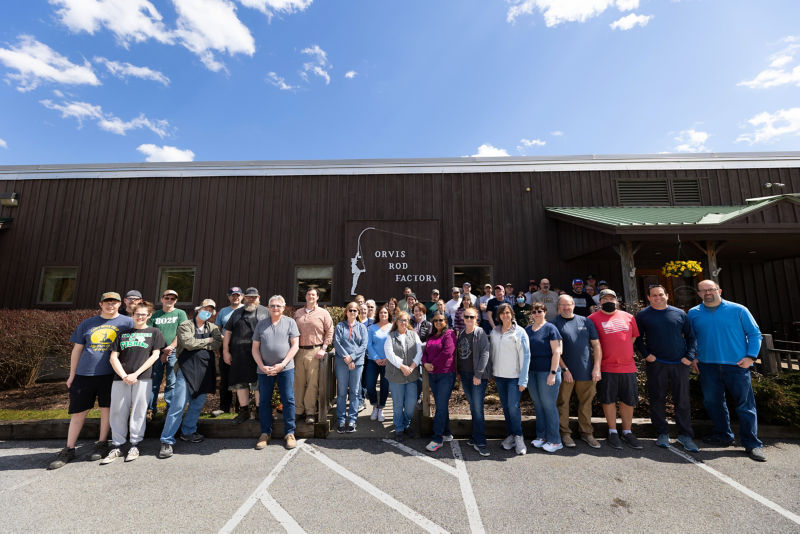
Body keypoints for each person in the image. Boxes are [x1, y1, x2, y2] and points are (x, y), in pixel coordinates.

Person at [49, 292, 134, 470]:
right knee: (79, 412)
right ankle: (69, 448)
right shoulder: (87, 324)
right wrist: (72, 374)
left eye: (114, 302)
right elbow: (77, 350)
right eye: (107, 302)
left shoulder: (127, 323)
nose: (110, 305)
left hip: (111, 375)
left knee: (106, 410)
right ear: (100, 304)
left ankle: (102, 443)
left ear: (120, 304)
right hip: (84, 374)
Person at [688, 280, 765, 462]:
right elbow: (691, 338)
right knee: (713, 402)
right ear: (698, 294)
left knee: (745, 406)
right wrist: (694, 357)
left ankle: (752, 444)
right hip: (708, 366)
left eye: (711, 289)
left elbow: (755, 334)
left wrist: (751, 357)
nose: (707, 293)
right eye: (703, 290)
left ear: (719, 290)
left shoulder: (739, 310)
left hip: (737, 366)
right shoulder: (693, 313)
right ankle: (723, 435)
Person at [635, 285, 699, 452]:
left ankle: (685, 435)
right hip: (657, 364)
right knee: (657, 399)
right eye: (654, 295)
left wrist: (690, 357)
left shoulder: (679, 314)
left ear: (667, 296)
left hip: (680, 364)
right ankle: (662, 433)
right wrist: (646, 354)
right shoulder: (643, 315)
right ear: (649, 298)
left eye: (661, 295)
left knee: (682, 400)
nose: (658, 298)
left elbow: (692, 337)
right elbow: (637, 339)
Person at [158, 299, 223, 458]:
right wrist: (207, 340)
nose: (207, 311)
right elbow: (188, 343)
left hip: (205, 370)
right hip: (186, 369)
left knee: (197, 403)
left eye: (210, 310)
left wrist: (203, 342)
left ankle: (188, 431)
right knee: (178, 405)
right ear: (198, 309)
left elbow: (217, 344)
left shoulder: (213, 327)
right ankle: (166, 440)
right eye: (205, 308)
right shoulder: (185, 325)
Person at [103, 301, 165, 464]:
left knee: (139, 411)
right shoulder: (123, 333)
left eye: (144, 314)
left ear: (149, 316)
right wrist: (124, 375)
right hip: (120, 378)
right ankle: (117, 445)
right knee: (117, 411)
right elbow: (113, 357)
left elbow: (155, 355)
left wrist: (135, 374)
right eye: (137, 314)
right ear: (133, 315)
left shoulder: (154, 332)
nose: (140, 317)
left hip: (142, 378)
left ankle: (135, 444)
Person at [588, 289, 642, 450]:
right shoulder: (592, 319)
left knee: (628, 401)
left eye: (611, 298)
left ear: (617, 300)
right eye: (604, 299)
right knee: (608, 400)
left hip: (627, 367)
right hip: (606, 367)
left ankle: (627, 431)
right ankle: (612, 432)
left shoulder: (629, 317)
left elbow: (632, 338)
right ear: (599, 302)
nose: (608, 301)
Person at [552, 295, 602, 448]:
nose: (566, 308)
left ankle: (587, 433)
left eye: (568, 305)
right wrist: (564, 369)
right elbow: (554, 351)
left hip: (586, 371)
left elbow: (596, 346)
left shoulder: (586, 321)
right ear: (558, 306)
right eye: (562, 305)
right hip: (565, 372)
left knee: (586, 403)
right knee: (562, 403)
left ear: (573, 305)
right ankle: (565, 433)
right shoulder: (554, 323)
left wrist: (597, 367)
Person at [252, 295, 300, 450]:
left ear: (283, 307)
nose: (275, 308)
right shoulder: (261, 324)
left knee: (288, 400)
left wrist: (282, 364)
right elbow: (255, 348)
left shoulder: (290, 323)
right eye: (272, 305)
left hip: (285, 368)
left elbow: (295, 346)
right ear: (268, 307)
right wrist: (262, 366)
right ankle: (265, 433)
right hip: (264, 369)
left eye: (278, 306)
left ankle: (290, 433)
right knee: (264, 401)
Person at [490, 303, 531, 455]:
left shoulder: (520, 332)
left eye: (508, 312)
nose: (505, 315)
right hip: (500, 377)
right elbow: (492, 353)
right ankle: (511, 436)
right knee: (506, 408)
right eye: (502, 313)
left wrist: (523, 379)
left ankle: (519, 437)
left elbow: (526, 356)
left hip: (515, 377)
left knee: (513, 408)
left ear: (512, 314)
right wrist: (493, 372)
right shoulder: (495, 331)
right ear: (499, 316)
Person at [223, 287, 267, 424]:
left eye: (254, 297)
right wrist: (225, 351)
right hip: (238, 354)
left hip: (260, 353)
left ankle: (260, 411)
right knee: (240, 383)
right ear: (244, 297)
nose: (251, 299)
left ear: (259, 298)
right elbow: (228, 332)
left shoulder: (266, 312)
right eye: (249, 297)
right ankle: (244, 411)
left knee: (259, 383)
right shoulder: (236, 313)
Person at [525, 302, 563, 453]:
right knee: (538, 405)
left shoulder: (551, 328)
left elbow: (557, 352)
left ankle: (555, 440)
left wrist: (552, 373)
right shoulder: (528, 330)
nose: (537, 314)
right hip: (532, 372)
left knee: (549, 406)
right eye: (534, 311)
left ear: (545, 312)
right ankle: (542, 437)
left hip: (547, 373)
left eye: (540, 311)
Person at [294, 288, 334, 425]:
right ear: (305, 296)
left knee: (312, 384)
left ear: (317, 297)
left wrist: (324, 348)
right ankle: (298, 411)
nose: (310, 296)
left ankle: (310, 412)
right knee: (298, 383)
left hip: (315, 351)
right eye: (308, 294)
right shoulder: (298, 313)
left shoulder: (323, 313)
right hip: (298, 351)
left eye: (313, 294)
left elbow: (330, 331)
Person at [147, 289, 188, 420]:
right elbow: (150, 332)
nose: (169, 300)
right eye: (167, 298)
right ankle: (150, 409)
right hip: (156, 351)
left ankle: (169, 408)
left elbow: (181, 332)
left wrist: (170, 347)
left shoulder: (180, 313)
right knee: (154, 381)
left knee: (171, 381)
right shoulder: (155, 315)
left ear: (175, 300)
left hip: (174, 350)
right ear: (162, 299)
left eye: (172, 299)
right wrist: (160, 349)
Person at [456, 306, 491, 456]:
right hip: (465, 374)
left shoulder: (480, 332)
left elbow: (485, 353)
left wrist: (478, 374)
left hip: (477, 376)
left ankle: (481, 441)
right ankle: (475, 436)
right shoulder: (462, 333)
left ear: (476, 318)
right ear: (463, 318)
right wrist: (458, 372)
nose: (469, 319)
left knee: (477, 408)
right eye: (466, 317)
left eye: (472, 317)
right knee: (472, 406)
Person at [384, 311, 423, 441]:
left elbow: (419, 352)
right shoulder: (391, 336)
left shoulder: (414, 335)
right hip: (396, 376)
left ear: (408, 322)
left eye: (405, 320)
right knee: (398, 404)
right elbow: (389, 354)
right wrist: (402, 366)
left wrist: (411, 367)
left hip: (411, 375)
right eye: (401, 320)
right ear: (397, 322)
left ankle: (406, 423)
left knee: (411, 404)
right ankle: (399, 428)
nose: (403, 322)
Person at [422, 312, 457, 452]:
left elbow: (448, 352)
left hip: (445, 374)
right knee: (441, 405)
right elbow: (425, 353)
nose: (438, 322)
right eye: (435, 320)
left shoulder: (449, 334)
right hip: (433, 375)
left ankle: (437, 438)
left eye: (440, 320)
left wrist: (432, 364)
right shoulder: (431, 336)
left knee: (440, 406)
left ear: (445, 321)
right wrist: (425, 363)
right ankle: (447, 432)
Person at [334, 302, 369, 433]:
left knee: (354, 392)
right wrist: (346, 357)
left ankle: (352, 420)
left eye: (355, 310)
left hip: (357, 363)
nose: (353, 312)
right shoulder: (340, 326)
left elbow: (363, 345)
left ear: (358, 313)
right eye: (350, 310)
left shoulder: (362, 328)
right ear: (346, 312)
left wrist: (352, 357)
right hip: (342, 362)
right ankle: (341, 420)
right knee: (342, 392)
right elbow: (336, 343)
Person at [213, 286, 244, 417]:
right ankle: (224, 408)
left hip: (243, 349)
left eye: (237, 295)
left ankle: (241, 408)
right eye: (232, 295)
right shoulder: (223, 312)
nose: (235, 297)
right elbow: (216, 329)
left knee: (241, 378)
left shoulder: (246, 310)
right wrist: (225, 339)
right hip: (226, 348)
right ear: (228, 296)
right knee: (225, 378)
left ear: (242, 296)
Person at [366, 306, 392, 422]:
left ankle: (381, 408)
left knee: (385, 386)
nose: (383, 314)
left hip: (388, 361)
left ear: (388, 314)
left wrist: (387, 358)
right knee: (370, 385)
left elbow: (394, 344)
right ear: (378, 314)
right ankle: (374, 405)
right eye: (381, 312)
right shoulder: (372, 328)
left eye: (385, 312)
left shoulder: (392, 328)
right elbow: (369, 345)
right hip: (373, 360)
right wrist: (376, 358)